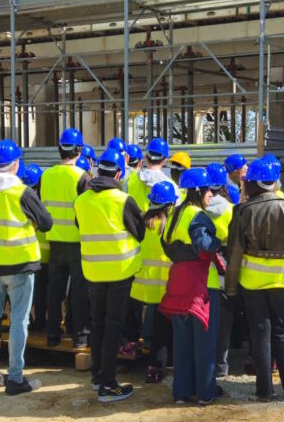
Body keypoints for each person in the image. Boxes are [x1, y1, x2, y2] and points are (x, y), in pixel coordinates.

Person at [225, 158, 284, 402]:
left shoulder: (243, 211)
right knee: (283, 331)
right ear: (274, 182)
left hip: (252, 284)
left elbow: (233, 254)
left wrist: (230, 289)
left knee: (260, 333)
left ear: (251, 183)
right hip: (283, 283)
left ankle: (264, 391)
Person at [0, 139, 52, 395]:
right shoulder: (22, 192)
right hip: (19, 266)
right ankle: (16, 378)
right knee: (19, 321)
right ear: (16, 164)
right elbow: (46, 223)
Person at [74, 149, 145, 402]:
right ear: (118, 173)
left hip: (92, 271)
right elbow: (140, 232)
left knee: (98, 324)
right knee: (114, 326)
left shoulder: (81, 200)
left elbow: (80, 225)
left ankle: (97, 376)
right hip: (119, 272)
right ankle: (108, 384)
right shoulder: (123, 200)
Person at [159, 168, 221, 405]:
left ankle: (182, 392)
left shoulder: (175, 214)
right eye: (208, 190)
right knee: (205, 342)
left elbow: (165, 244)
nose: (210, 195)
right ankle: (206, 393)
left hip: (178, 283)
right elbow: (204, 244)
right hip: (201, 285)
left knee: (182, 341)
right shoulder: (198, 215)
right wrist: (218, 245)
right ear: (198, 191)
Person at [41, 128, 91, 348]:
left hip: (55, 242)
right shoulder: (82, 177)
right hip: (77, 243)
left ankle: (52, 334)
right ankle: (80, 337)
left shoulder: (47, 175)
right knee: (79, 292)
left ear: (59, 148)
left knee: (55, 291)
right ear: (79, 150)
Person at [134, 182, 177, 383]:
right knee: (166, 326)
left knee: (150, 322)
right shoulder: (170, 225)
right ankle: (162, 363)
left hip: (144, 283)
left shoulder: (140, 222)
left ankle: (152, 361)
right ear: (170, 205)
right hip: (166, 284)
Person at [205, 162, 236, 376]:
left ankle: (205, 361)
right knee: (225, 319)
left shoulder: (198, 208)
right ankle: (221, 364)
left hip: (204, 267)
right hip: (225, 265)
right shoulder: (230, 208)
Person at [22, 164, 49, 332]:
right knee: (42, 292)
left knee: (27, 293)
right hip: (44, 255)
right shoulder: (41, 199)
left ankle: (31, 320)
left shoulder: (20, 198)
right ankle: (40, 320)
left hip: (26, 253)